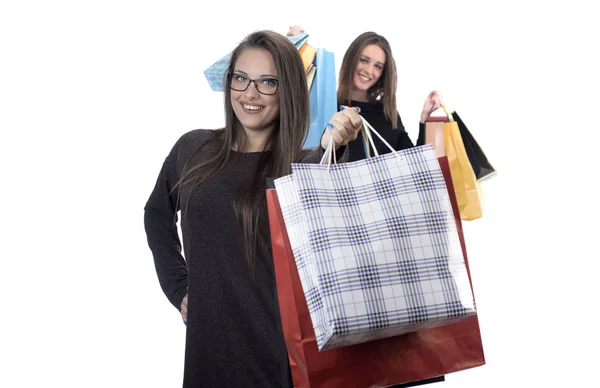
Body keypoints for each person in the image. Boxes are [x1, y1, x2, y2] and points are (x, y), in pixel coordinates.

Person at [144, 30, 361, 387]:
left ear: (289, 90)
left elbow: (330, 208)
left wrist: (332, 147)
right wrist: (179, 288)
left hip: (279, 362)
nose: (250, 93)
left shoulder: (302, 165)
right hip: (207, 356)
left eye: (267, 82)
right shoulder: (193, 148)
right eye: (241, 78)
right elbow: (156, 214)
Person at [288, 27, 447, 387]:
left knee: (386, 327)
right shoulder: (322, 105)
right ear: (351, 59)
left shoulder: (385, 115)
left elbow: (415, 163)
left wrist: (424, 119)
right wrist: (292, 46)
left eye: (378, 65)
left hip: (383, 238)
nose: (370, 70)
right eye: (365, 59)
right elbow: (293, 123)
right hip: (333, 233)